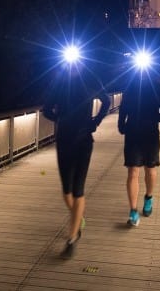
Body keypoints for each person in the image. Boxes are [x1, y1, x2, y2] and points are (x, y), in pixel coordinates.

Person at [41, 45, 110, 258]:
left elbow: (106, 101)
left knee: (78, 189)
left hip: (83, 141)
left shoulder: (90, 78)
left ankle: (72, 238)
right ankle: (77, 217)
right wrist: (59, 118)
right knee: (66, 191)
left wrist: (95, 122)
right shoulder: (59, 82)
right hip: (64, 141)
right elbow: (46, 109)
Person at [117, 61, 160, 227]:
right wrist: (121, 125)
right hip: (133, 133)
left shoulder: (158, 88)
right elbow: (123, 108)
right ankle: (133, 211)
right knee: (133, 170)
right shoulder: (130, 88)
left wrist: (152, 119)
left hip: (150, 134)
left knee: (150, 168)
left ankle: (148, 197)